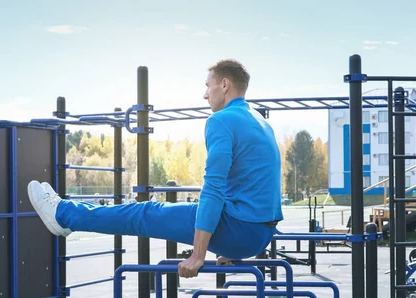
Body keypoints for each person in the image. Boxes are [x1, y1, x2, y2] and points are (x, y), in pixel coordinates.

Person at [27, 59, 283, 278]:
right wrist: (231, 248)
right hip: (261, 235)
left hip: (240, 230)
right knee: (151, 212)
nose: (205, 95)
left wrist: (198, 254)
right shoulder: (259, 122)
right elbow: (256, 186)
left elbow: (214, 188)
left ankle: (63, 215)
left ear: (224, 85)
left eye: (208, 86)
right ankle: (67, 213)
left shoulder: (222, 120)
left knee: (145, 213)